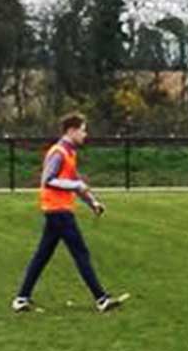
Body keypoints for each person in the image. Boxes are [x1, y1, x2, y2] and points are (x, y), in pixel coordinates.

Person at [12, 113, 130, 314]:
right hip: (58, 211)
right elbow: (48, 180)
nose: (86, 134)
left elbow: (75, 185)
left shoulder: (70, 153)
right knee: (80, 253)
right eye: (83, 130)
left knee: (42, 255)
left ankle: (21, 298)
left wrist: (92, 202)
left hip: (58, 211)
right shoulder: (58, 152)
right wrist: (76, 185)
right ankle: (101, 299)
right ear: (71, 131)